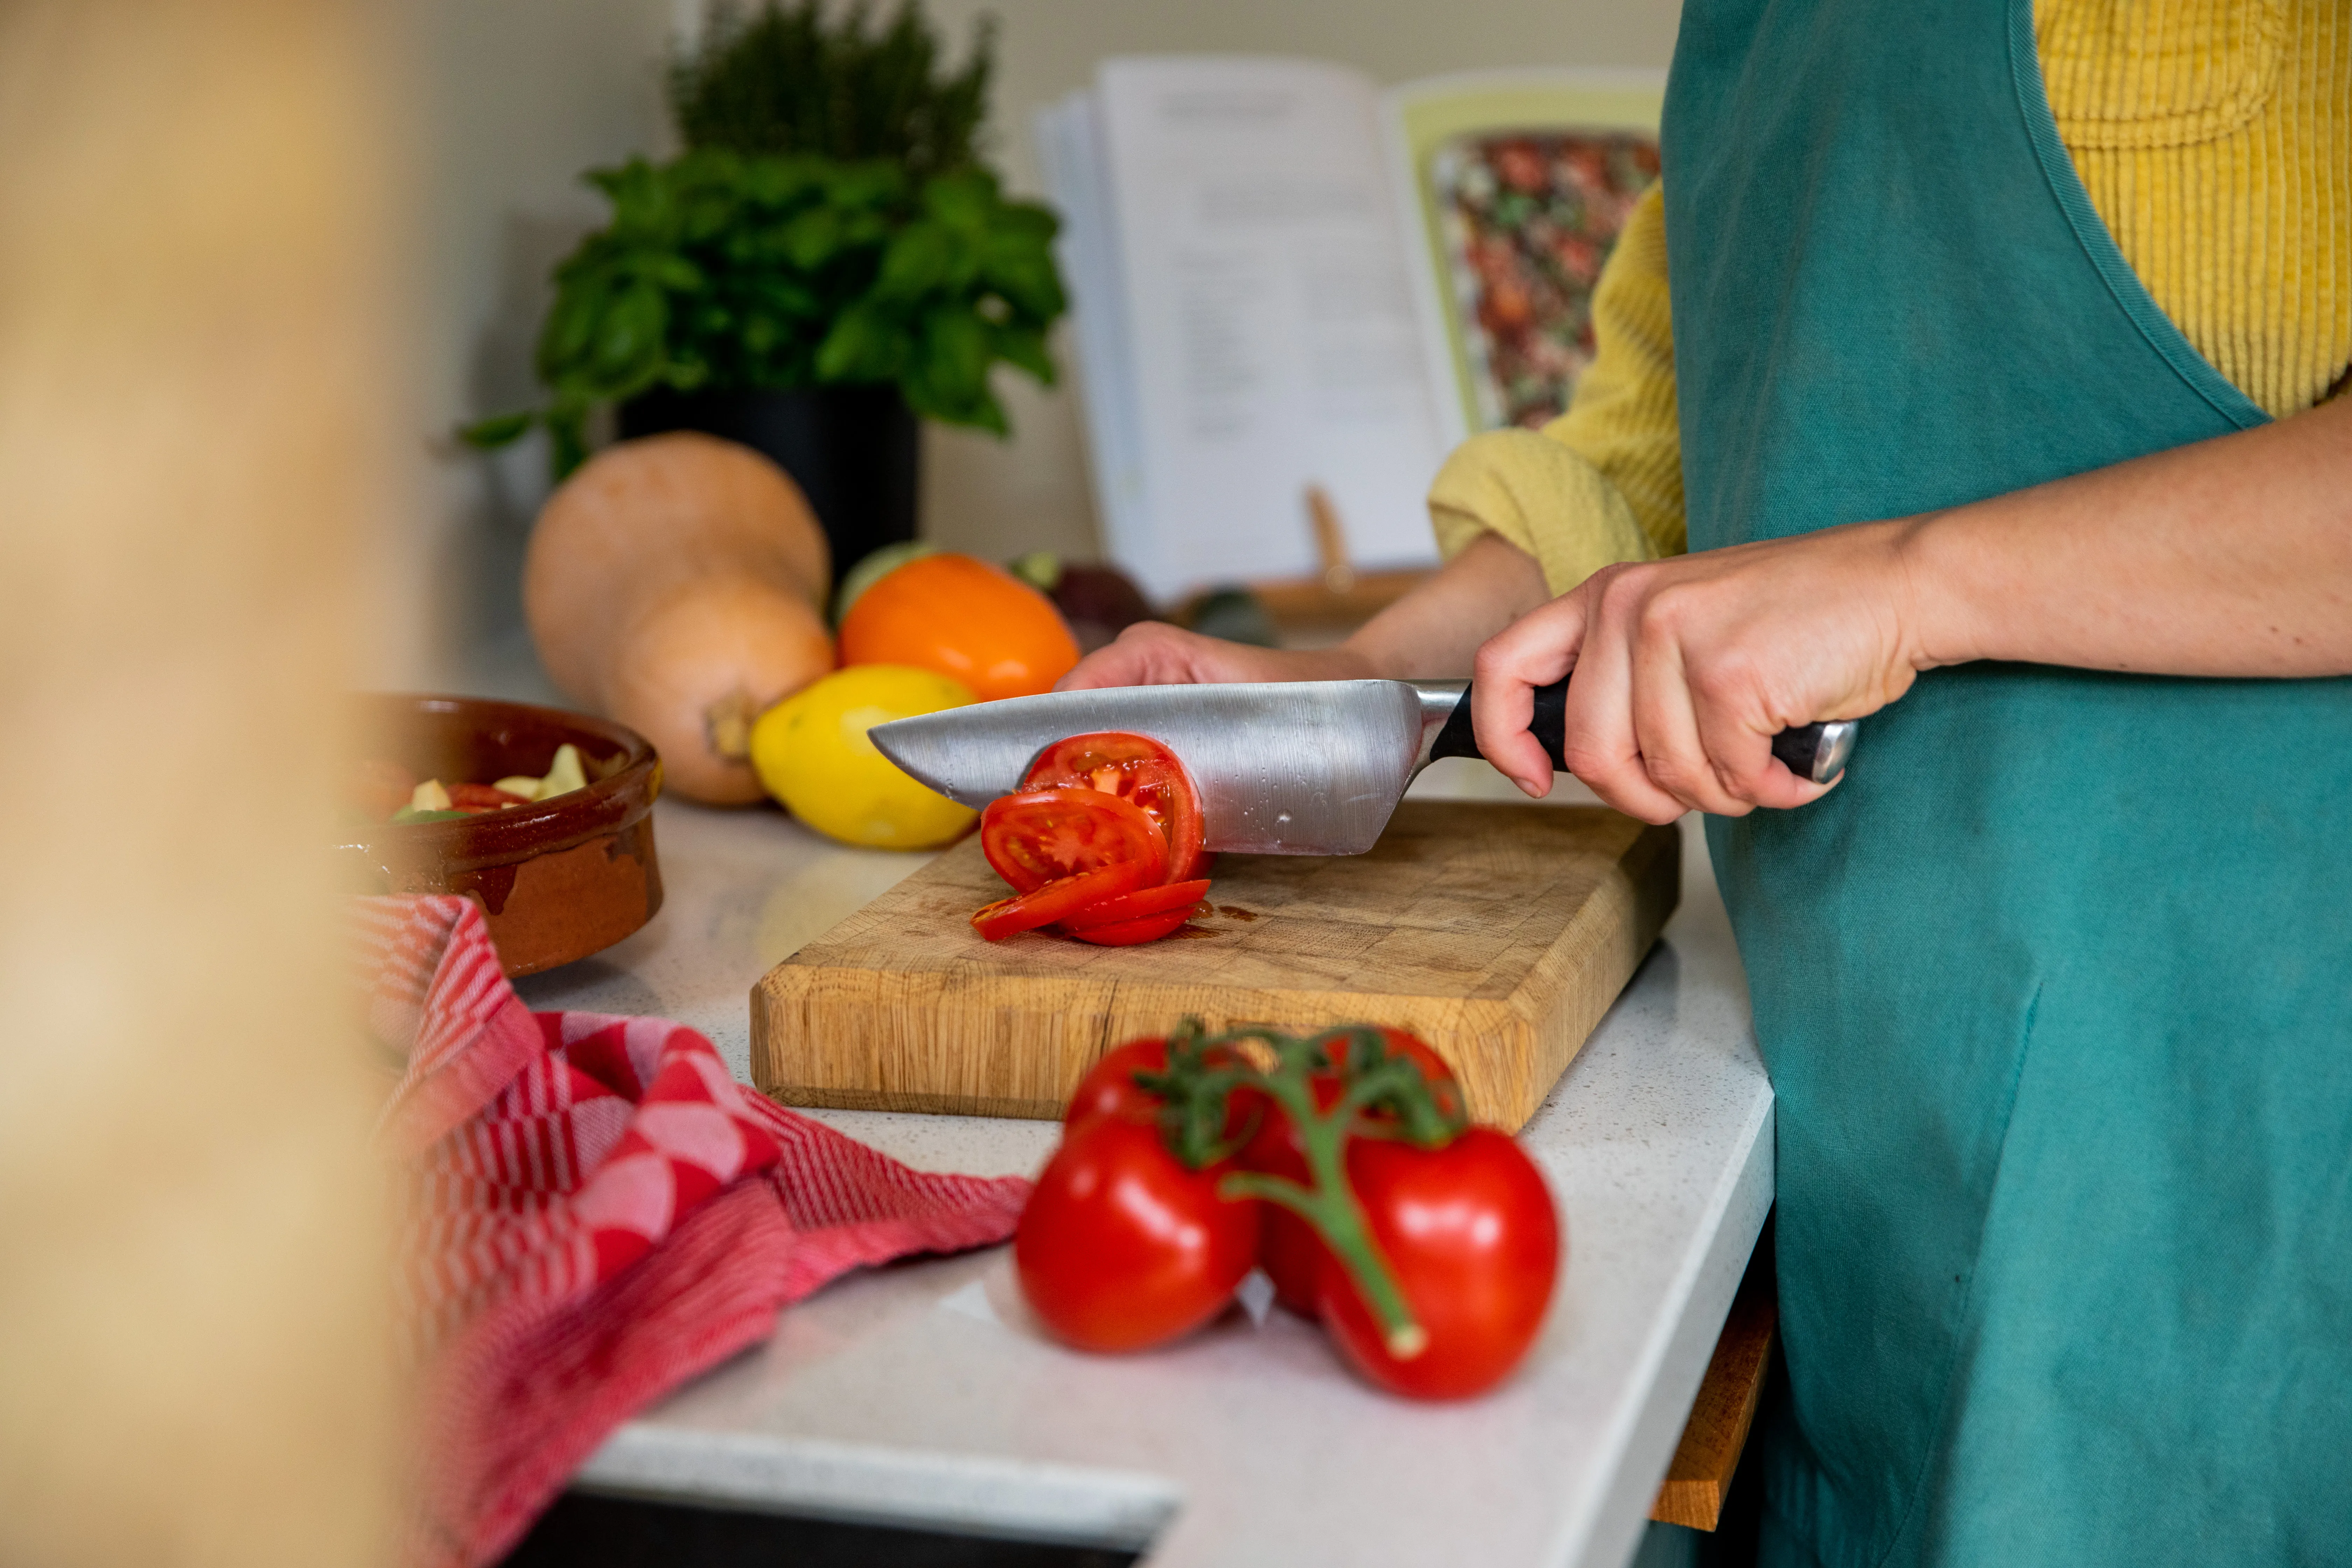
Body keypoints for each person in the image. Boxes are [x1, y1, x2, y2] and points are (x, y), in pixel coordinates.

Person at [1062, 0, 2352, 1561]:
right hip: (1867, 1094)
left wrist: (1910, 584)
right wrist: (1354, 692)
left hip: (2238, 1126)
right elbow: (1669, 438)